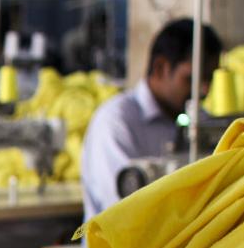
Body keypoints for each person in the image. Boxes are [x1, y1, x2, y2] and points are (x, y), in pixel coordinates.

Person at [79, 18, 221, 221]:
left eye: (209, 79)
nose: (205, 89)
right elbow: (123, 209)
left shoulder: (199, 122)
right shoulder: (116, 121)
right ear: (161, 67)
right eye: (191, 79)